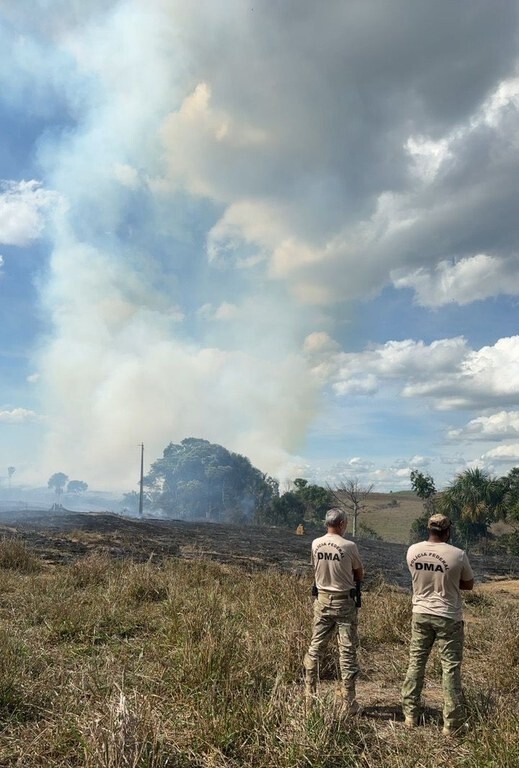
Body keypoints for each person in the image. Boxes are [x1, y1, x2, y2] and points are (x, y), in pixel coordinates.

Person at [402, 513, 474, 736]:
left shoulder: (413, 551)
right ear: (448, 531)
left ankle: (410, 715)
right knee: (450, 668)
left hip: (420, 613)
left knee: (416, 662)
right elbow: (468, 584)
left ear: (429, 529)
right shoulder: (457, 555)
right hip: (448, 616)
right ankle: (451, 724)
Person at [303, 508, 364, 713]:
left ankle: (309, 696)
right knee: (346, 651)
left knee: (315, 647)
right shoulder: (349, 546)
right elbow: (359, 573)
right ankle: (349, 702)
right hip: (343, 603)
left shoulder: (315, 543)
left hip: (321, 600)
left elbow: (315, 567)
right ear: (341, 524)